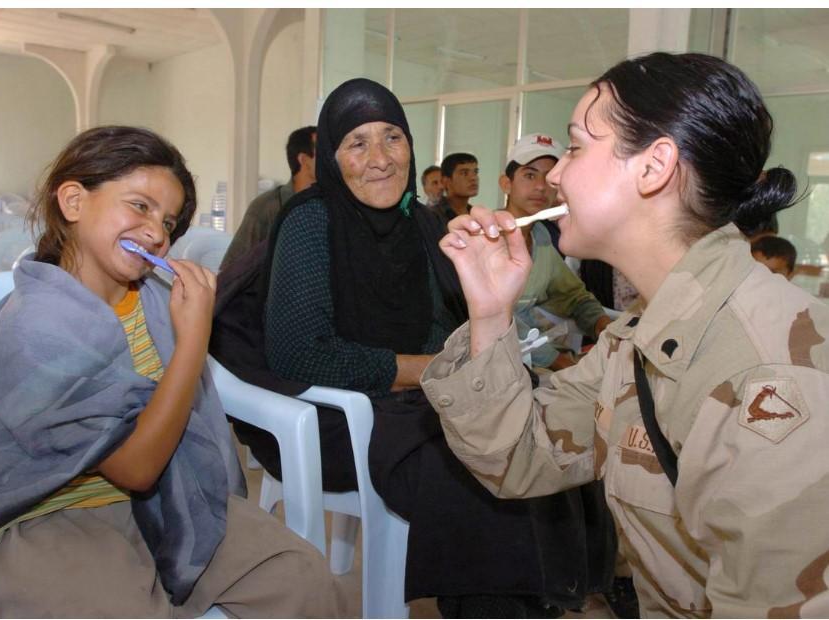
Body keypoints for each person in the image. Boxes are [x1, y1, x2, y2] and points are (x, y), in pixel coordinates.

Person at [423, 52, 828, 618]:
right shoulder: (639, 337)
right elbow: (520, 456)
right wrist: (491, 313)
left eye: (575, 147)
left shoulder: (767, 378)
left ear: (653, 166)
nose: (556, 175)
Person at [252, 77, 615, 618]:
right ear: (331, 156)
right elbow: (298, 353)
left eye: (392, 137)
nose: (379, 159)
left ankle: (542, 590)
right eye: (357, 143)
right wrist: (426, 372)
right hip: (334, 414)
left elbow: (445, 328)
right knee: (477, 468)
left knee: (530, 432)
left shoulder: (422, 223)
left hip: (417, 402)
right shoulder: (310, 223)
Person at [0, 125, 342, 618]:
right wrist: (193, 343)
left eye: (169, 221)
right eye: (140, 206)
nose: (157, 233)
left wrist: (189, 333)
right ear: (74, 202)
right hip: (49, 516)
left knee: (302, 577)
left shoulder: (158, 302)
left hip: (174, 494)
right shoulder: (32, 326)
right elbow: (136, 468)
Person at [501, 132, 611, 370]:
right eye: (529, 175)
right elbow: (501, 318)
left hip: (533, 360)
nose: (541, 187)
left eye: (550, 179)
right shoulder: (490, 239)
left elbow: (573, 296)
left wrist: (603, 326)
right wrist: (561, 363)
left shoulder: (540, 235)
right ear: (506, 183)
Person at [220, 125, 317, 270]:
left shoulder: (331, 206)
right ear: (304, 160)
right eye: (323, 152)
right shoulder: (266, 207)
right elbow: (232, 269)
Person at [430, 152, 479, 222]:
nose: (473, 178)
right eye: (464, 173)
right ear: (446, 181)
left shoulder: (475, 214)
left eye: (475, 172)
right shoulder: (432, 215)